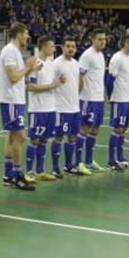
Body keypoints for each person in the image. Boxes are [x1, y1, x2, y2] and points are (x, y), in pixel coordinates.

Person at [0, 23, 38, 190]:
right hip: (11, 99)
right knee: (20, 136)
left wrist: (30, 69)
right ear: (19, 34)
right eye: (26, 33)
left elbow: (18, 76)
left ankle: (9, 175)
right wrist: (27, 67)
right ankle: (17, 174)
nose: (28, 37)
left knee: (13, 136)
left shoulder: (15, 52)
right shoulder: (9, 51)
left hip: (16, 99)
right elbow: (13, 77)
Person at [26, 35, 65, 180]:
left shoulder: (51, 63)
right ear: (43, 47)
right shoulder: (35, 63)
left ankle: (40, 170)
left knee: (44, 140)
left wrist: (59, 82)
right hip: (37, 109)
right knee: (34, 139)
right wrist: (50, 86)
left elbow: (52, 83)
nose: (54, 48)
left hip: (50, 107)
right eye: (51, 46)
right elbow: (30, 86)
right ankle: (29, 171)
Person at [52, 36, 85, 175]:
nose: (71, 49)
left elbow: (78, 83)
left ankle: (69, 165)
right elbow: (51, 83)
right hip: (61, 108)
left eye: (73, 46)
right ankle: (55, 168)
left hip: (74, 107)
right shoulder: (56, 64)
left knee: (72, 136)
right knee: (58, 136)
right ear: (62, 48)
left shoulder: (76, 64)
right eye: (68, 46)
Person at [77, 30, 108, 173]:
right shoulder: (87, 55)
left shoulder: (101, 55)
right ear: (93, 40)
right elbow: (80, 75)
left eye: (104, 39)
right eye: (99, 39)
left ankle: (89, 161)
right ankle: (78, 162)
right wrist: (78, 94)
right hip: (87, 98)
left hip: (98, 98)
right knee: (84, 129)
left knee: (95, 129)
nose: (103, 41)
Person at [106, 33, 129, 169]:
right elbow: (109, 80)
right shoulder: (117, 58)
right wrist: (111, 97)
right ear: (126, 43)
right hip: (119, 98)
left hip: (128, 98)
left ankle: (120, 157)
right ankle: (111, 161)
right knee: (118, 128)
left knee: (123, 128)